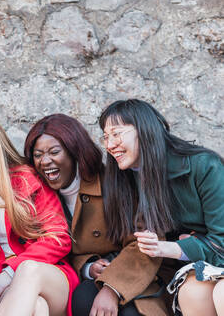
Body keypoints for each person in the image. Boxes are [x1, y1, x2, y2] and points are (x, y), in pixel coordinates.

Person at [24, 113, 168, 316]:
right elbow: (57, 249)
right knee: (84, 300)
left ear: (75, 151)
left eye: (54, 152)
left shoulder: (114, 182)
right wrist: (88, 267)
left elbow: (146, 242)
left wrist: (111, 288)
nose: (45, 161)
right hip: (85, 282)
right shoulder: (41, 198)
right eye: (38, 155)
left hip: (132, 277)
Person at [99, 99, 224, 316]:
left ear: (145, 130)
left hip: (213, 263)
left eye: (116, 133)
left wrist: (174, 248)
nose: (109, 145)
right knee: (191, 293)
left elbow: (221, 243)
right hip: (184, 271)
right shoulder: (127, 179)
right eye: (106, 137)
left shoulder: (204, 166)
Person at [0, 114, 78, 316]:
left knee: (28, 269)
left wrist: (11, 270)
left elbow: (58, 237)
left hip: (47, 276)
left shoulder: (26, 179)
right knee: (38, 308)